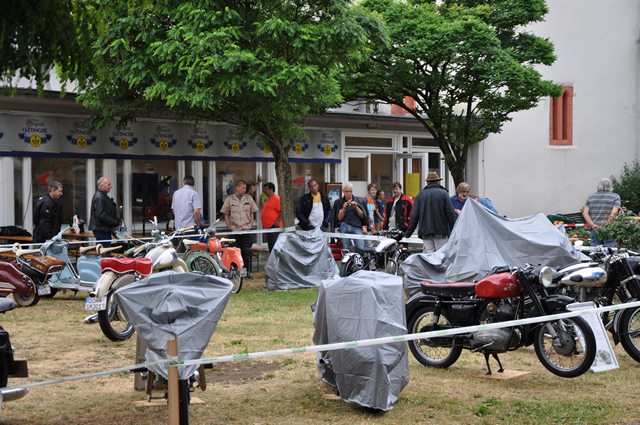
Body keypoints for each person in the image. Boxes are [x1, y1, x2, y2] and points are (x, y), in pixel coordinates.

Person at [405, 171, 457, 253]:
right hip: (440, 231)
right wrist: (455, 230)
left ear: (427, 182)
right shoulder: (443, 193)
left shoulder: (420, 195)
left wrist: (408, 233)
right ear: (437, 181)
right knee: (441, 256)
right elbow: (450, 213)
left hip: (425, 232)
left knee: (429, 256)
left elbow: (414, 215)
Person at [221, 180, 258, 276]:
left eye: (245, 188)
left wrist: (250, 224)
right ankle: (237, 272)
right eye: (243, 188)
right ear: (237, 188)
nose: (245, 190)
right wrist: (229, 225)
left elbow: (252, 211)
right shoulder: (229, 199)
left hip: (246, 230)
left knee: (246, 252)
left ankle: (246, 272)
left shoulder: (248, 198)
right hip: (235, 230)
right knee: (235, 252)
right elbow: (225, 213)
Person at [582, 178, 621, 247]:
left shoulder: (590, 197)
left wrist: (592, 225)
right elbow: (614, 213)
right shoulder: (615, 197)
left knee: (595, 250)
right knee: (610, 251)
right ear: (610, 186)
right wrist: (607, 226)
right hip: (609, 230)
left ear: (598, 186)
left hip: (595, 229)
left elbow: (585, 213)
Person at [332, 182, 367, 250]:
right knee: (346, 249)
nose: (348, 193)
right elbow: (339, 218)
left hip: (357, 226)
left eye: (350, 191)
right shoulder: (338, 202)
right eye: (346, 191)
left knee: (361, 248)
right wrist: (344, 209)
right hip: (345, 226)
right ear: (343, 192)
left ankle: (359, 257)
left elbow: (363, 216)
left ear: (352, 191)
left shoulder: (359, 200)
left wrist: (356, 207)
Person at [89, 176, 120, 247]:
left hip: (103, 229)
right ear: (102, 186)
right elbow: (101, 215)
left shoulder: (102, 196)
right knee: (104, 251)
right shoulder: (100, 197)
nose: (111, 187)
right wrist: (115, 222)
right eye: (108, 184)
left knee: (104, 250)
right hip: (102, 230)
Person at [260, 182, 281, 252]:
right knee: (271, 247)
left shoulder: (276, 198)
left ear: (271, 189)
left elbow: (282, 211)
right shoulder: (269, 198)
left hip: (274, 227)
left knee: (274, 248)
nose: (264, 191)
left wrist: (278, 221)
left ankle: (274, 259)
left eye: (266, 189)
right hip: (269, 227)